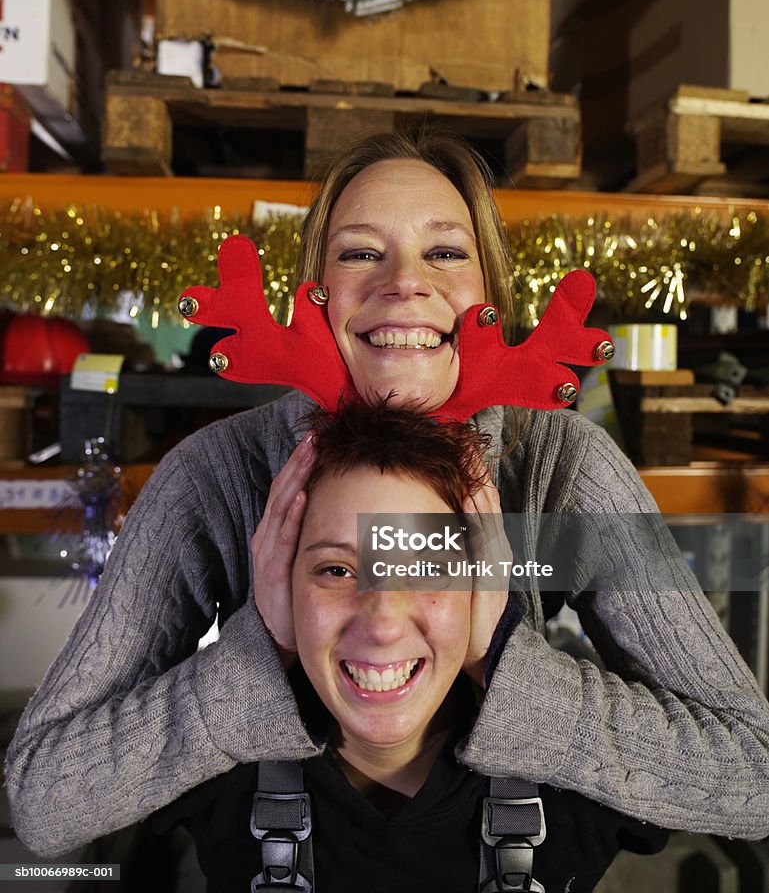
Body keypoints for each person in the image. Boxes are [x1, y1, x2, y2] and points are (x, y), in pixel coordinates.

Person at [6, 131, 769, 860]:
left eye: (444, 252)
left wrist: (498, 658)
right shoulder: (214, 474)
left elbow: (752, 773)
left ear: (491, 294)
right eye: (360, 253)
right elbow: (43, 800)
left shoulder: (565, 467)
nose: (404, 282)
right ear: (315, 292)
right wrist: (258, 654)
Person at [154, 398, 667, 893]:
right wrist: (258, 648)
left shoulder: (589, 784)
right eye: (337, 570)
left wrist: (502, 657)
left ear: (482, 587)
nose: (382, 623)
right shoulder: (205, 772)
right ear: (282, 586)